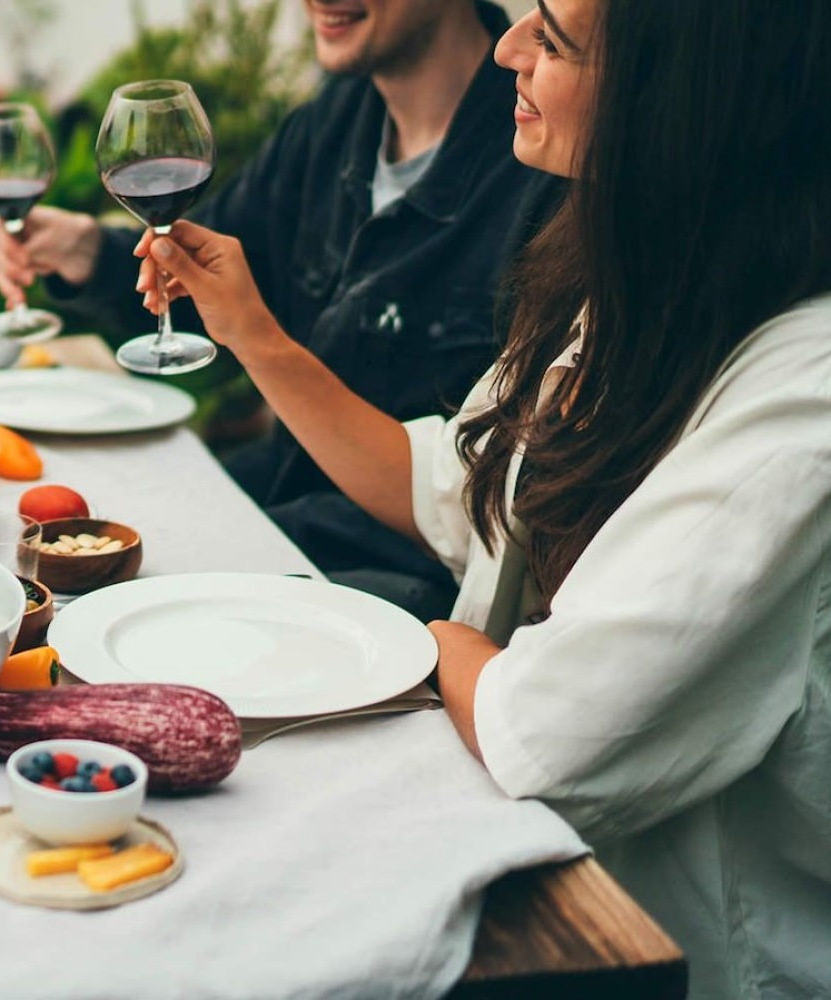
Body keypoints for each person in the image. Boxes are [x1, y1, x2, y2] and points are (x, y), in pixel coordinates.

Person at [147, 0, 831, 993]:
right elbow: (452, 495)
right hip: (534, 872)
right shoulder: (638, 292)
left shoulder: (799, 404)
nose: (506, 47)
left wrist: (432, 642)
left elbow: (545, 733)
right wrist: (250, 330)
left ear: (673, 104)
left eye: (550, 38)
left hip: (660, 955)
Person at [0, 0, 561, 622]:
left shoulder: (549, 166)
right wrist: (82, 249)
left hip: (399, 592)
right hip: (279, 511)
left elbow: (500, 506)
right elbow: (212, 283)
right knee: (16, 550)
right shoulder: (331, 122)